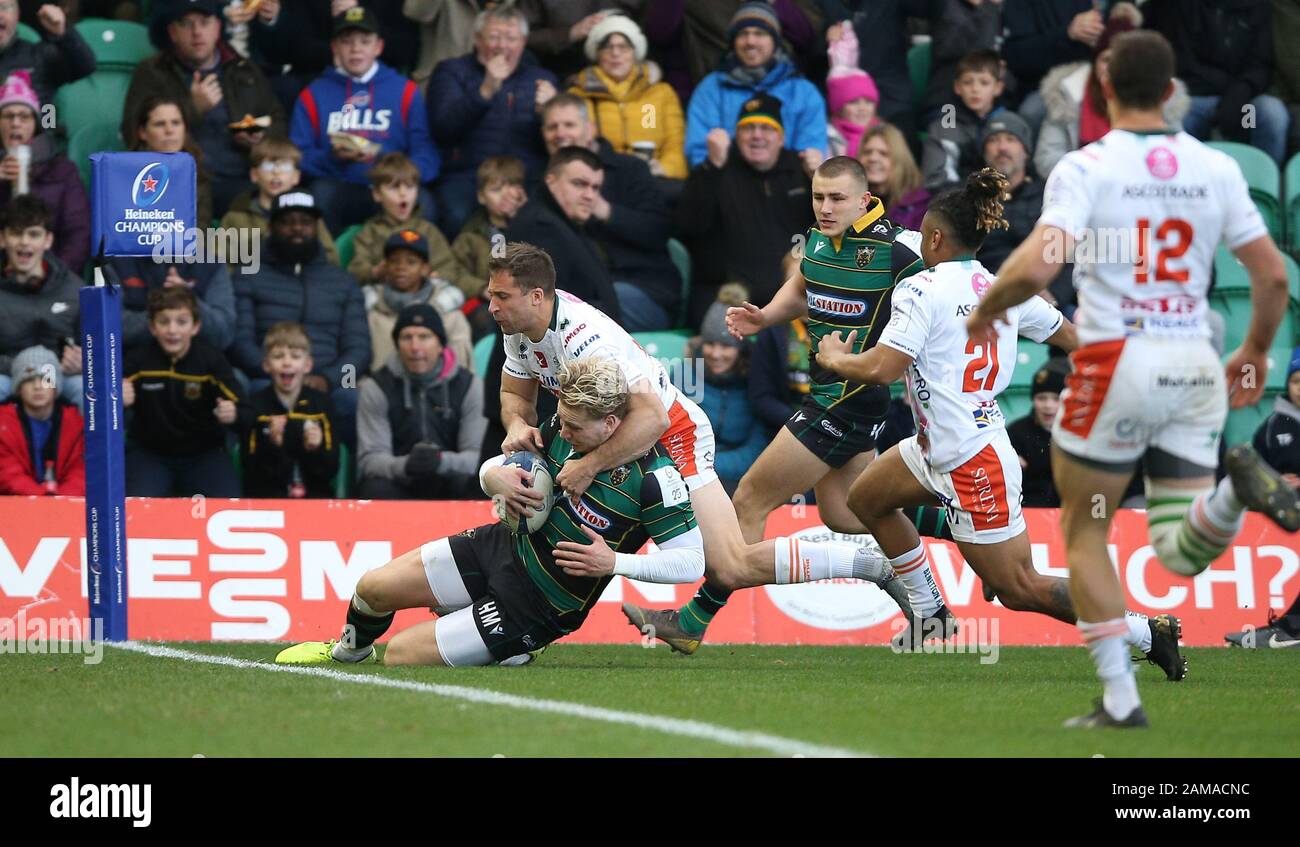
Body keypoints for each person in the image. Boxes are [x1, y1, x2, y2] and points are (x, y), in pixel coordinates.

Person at [965, 31, 1300, 728]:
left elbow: (1035, 266)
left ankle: (1121, 698)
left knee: (1085, 536)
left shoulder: (1086, 167)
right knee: (1180, 546)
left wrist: (987, 310)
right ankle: (1236, 490)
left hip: (1114, 362)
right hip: (1192, 363)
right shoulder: (1214, 167)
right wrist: (1257, 351)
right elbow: (1271, 274)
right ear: (1173, 90)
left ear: (1106, 89)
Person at [817, 167, 1185, 674]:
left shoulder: (921, 289)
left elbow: (883, 368)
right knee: (867, 499)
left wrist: (835, 358)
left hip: (971, 460)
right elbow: (1072, 339)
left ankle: (1145, 630)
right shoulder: (1003, 289)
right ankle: (930, 614)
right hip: (938, 447)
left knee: (1019, 587)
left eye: (923, 234)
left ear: (935, 237)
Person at [488, 241, 901, 654]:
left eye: (501, 296)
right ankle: (513, 619)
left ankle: (867, 566)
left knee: (730, 563)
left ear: (536, 296)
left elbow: (653, 419)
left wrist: (588, 466)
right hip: (613, 439)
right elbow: (514, 394)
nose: (491, 306)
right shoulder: (521, 333)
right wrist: (517, 424)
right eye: (491, 295)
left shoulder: (587, 339)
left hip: (672, 436)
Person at [627, 158, 957, 653]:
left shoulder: (900, 248)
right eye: (818, 197)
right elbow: (804, 287)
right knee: (848, 514)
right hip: (833, 398)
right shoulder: (819, 241)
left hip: (847, 400)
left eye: (837, 198)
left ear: (865, 200)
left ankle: (693, 621)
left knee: (749, 500)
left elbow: (965, 283)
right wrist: (766, 316)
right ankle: (966, 524)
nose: (825, 208)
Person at [277, 356, 704, 667]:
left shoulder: (656, 480)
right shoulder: (560, 426)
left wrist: (615, 562)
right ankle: (347, 653)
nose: (564, 431)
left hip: (541, 603)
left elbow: (692, 561)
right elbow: (497, 468)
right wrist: (491, 478)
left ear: (611, 426)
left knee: (402, 657)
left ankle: (517, 647)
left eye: (576, 426)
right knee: (372, 588)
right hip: (500, 546)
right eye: (563, 420)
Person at [125, 0, 286, 218]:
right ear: (173, 32)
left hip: (240, 178)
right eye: (187, 24)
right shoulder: (153, 72)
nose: (197, 32)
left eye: (204, 22)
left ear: (218, 28)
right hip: (177, 179)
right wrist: (192, 108)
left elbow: (277, 121)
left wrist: (259, 139)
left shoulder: (243, 69)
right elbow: (131, 131)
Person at [231, 192, 370, 438]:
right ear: (272, 227)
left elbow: (359, 350)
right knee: (240, 390)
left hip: (330, 382)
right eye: (288, 222)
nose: (297, 228)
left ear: (315, 228)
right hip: (266, 378)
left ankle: (355, 475)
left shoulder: (343, 281)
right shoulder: (247, 274)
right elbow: (240, 343)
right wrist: (279, 372)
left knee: (356, 396)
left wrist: (329, 379)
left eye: (305, 222)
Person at [290, 6, 440, 234]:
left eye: (364, 41)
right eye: (347, 41)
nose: (355, 49)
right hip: (341, 183)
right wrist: (333, 157)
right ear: (334, 47)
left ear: (378, 47)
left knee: (424, 202)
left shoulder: (406, 91)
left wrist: (398, 175)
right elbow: (298, 157)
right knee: (319, 196)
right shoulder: (313, 94)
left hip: (392, 186)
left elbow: (427, 152)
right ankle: (326, 267)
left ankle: (412, 266)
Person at [538, 94, 679, 330]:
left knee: (573, 310)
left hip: (642, 290)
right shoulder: (543, 182)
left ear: (590, 129)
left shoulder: (631, 169)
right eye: (552, 126)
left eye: (569, 125)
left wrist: (606, 211)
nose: (560, 133)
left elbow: (658, 231)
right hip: (576, 290)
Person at [675, 93, 811, 321]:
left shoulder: (800, 172)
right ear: (736, 135)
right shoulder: (718, 169)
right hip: (725, 297)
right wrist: (712, 167)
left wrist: (818, 177)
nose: (757, 135)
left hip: (789, 299)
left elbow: (838, 228)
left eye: (766, 128)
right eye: (748, 128)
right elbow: (687, 226)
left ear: (781, 137)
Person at [427, 6, 556, 237]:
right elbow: (443, 130)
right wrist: (485, 90)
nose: (502, 46)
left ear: (523, 42)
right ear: (477, 39)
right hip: (469, 174)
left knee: (548, 217)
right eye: (494, 37)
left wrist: (548, 115)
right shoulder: (452, 71)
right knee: (456, 214)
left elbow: (556, 146)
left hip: (526, 176)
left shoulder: (542, 79)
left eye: (510, 38)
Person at [1034, 2, 1188, 180]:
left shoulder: (1160, 98)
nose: (1114, 68)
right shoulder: (1066, 95)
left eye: (1122, 61)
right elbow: (1047, 158)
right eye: (1107, 59)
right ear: (1094, 62)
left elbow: (1175, 157)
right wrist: (1099, 180)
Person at [356, 303, 486, 500]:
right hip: (399, 481)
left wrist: (440, 461)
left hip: (449, 479)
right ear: (397, 344)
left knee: (473, 484)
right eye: (406, 337)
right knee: (374, 489)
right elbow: (370, 459)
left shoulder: (469, 385)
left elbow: (478, 457)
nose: (415, 347)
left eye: (424, 337)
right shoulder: (377, 386)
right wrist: (406, 465)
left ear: (440, 344)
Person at [122, 287, 242, 497]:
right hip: (150, 455)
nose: (172, 330)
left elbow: (246, 410)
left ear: (195, 327)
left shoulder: (211, 360)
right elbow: (100, 411)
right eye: (164, 321)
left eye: (181, 321)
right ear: (152, 327)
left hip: (204, 455)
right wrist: (116, 401)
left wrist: (234, 413)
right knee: (136, 514)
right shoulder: (137, 361)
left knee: (228, 505)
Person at [684, 2, 827, 169]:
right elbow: (698, 152)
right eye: (743, 34)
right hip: (727, 186)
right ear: (733, 42)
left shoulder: (803, 92)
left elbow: (810, 150)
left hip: (786, 185)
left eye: (760, 33)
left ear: (775, 42)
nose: (750, 41)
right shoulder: (712, 88)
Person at [1145, 0, 1290, 165]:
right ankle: (1186, 182)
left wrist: (1242, 90)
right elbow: (1183, 62)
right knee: (1172, 117)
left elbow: (1262, 63)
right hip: (1198, 100)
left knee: (1272, 115)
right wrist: (1230, 90)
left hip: (1246, 108)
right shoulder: (1183, 6)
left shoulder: (1259, 6)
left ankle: (1263, 181)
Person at [504, 146, 620, 322]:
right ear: (551, 181)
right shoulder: (542, 228)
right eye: (579, 184)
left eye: (596, 188)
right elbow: (544, 316)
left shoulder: (563, 222)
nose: (590, 195)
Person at [975, 112, 1075, 313]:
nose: (1002, 147)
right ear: (984, 152)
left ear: (1026, 151)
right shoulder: (969, 198)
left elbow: (1071, 253)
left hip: (1047, 301)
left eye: (1011, 139)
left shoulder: (1050, 195)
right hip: (984, 300)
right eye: (993, 140)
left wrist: (1054, 295)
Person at [567, 12, 687, 180]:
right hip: (600, 180)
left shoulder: (657, 94)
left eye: (624, 47)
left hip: (652, 178)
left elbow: (675, 144)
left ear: (635, 53)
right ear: (597, 54)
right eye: (607, 46)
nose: (616, 53)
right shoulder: (580, 94)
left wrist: (664, 168)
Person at [346, 152, 479, 301]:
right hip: (384, 298)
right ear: (377, 194)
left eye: (410, 187)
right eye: (394, 188)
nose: (403, 194)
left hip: (425, 297)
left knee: (454, 296)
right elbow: (355, 272)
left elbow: (449, 268)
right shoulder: (369, 232)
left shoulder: (428, 231)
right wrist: (376, 272)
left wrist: (432, 275)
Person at [0, 72, 88, 276]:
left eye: (24, 116)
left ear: (35, 125)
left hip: (52, 278)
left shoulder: (63, 171)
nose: (15, 123)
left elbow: (78, 234)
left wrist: (52, 278)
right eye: (7, 116)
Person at [239, 321, 340, 498]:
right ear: (266, 365)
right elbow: (250, 469)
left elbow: (330, 470)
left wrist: (315, 449)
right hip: (267, 499)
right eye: (278, 356)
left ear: (308, 365)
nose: (287, 362)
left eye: (295, 356)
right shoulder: (255, 405)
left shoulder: (322, 404)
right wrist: (273, 445)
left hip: (314, 499)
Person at [0, 195, 81, 407]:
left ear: (48, 240)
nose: (24, 242)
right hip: (7, 375)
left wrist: (83, 362)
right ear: (2, 239)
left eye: (33, 234)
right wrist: (24, 368)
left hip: (59, 376)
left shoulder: (72, 287)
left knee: (89, 392)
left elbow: (95, 346)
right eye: (16, 233)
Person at [690, 285, 772, 494]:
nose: (716, 354)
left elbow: (756, 451)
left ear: (741, 349)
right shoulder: (684, 376)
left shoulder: (756, 383)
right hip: (687, 476)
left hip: (736, 480)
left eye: (726, 346)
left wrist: (707, 467)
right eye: (710, 344)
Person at [363, 229, 474, 372]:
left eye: (411, 262)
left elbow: (462, 370)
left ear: (425, 269)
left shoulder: (448, 314)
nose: (401, 267)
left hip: (440, 391)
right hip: (384, 390)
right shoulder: (371, 311)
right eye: (394, 261)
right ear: (385, 267)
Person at [219, 137, 340, 266]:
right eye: (268, 165)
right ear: (254, 174)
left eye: (285, 167)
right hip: (251, 283)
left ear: (296, 177)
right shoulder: (236, 216)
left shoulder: (307, 218)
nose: (276, 172)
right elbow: (220, 263)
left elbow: (331, 259)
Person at [450, 155, 525, 340]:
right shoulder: (471, 234)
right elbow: (454, 271)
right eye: (497, 189)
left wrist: (523, 216)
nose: (506, 196)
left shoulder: (535, 225)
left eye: (512, 187)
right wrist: (481, 288)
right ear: (482, 197)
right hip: (489, 302)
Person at [1001, 0, 1099, 131]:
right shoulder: (1019, 5)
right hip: (1040, 85)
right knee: (1031, 112)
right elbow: (1018, 58)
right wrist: (1068, 33)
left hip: (1089, 77)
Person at [0, 345, 83, 495]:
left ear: (56, 386)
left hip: (66, 505)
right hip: (19, 504)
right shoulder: (3, 423)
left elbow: (81, 470)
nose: (38, 386)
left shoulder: (75, 423)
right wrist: (41, 498)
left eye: (46, 379)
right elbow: (7, 473)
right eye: (29, 380)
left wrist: (61, 499)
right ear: (18, 388)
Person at [921, 49, 1007, 193]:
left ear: (998, 88)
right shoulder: (945, 126)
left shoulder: (1009, 123)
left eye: (984, 83)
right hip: (956, 202)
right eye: (968, 82)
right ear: (957, 87)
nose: (975, 89)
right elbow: (937, 180)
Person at [126, 95, 214, 227]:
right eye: (160, 124)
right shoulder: (124, 174)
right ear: (142, 132)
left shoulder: (198, 174)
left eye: (176, 123)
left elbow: (200, 232)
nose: (169, 130)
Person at [0, 0, 95, 107]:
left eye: (4, 7)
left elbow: (85, 67)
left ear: (16, 15)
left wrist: (63, 33)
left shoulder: (39, 55)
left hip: (44, 123)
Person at [1006, 361, 1066, 508]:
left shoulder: (1075, 433)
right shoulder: (1017, 432)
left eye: (1055, 399)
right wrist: (1009, 463)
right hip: (1029, 506)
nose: (1048, 405)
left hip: (1069, 507)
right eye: (1042, 398)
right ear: (1033, 400)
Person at [857, 122, 929, 232]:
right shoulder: (853, 201)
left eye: (883, 153)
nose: (873, 158)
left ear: (900, 160)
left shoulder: (922, 207)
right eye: (867, 152)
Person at [823, 22, 877, 159]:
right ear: (838, 107)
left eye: (869, 101)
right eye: (853, 102)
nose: (862, 108)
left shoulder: (884, 136)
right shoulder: (829, 138)